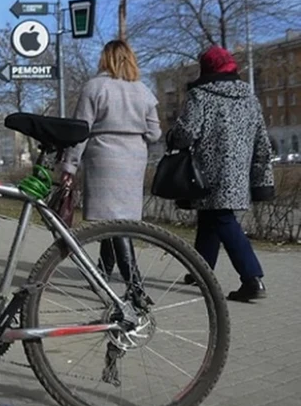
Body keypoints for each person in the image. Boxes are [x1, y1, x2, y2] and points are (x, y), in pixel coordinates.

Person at [167, 45, 274, 302]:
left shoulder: (200, 95)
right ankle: (200, 270)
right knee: (210, 219)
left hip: (207, 171)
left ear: (206, 68)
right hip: (238, 172)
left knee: (223, 220)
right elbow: (262, 140)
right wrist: (262, 178)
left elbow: (186, 133)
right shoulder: (250, 97)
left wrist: (172, 137)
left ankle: (252, 279)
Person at [60, 39, 162, 282]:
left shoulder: (94, 87)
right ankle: (103, 272)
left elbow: (80, 131)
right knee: (119, 218)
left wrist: (69, 165)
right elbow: (155, 133)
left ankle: (133, 280)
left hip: (103, 157)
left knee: (111, 219)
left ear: (105, 58)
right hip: (134, 158)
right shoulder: (143, 91)